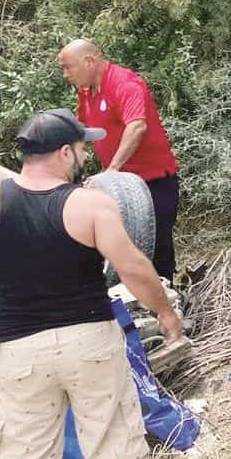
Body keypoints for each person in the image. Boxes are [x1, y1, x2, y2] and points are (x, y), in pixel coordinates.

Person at [0, 109, 184, 459]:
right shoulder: (90, 204)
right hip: (86, 339)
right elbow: (133, 268)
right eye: (82, 149)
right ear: (65, 153)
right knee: (109, 439)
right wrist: (165, 314)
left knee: (19, 458)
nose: (85, 156)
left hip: (16, 348)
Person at [58, 40, 181, 281]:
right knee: (118, 246)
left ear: (89, 61)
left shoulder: (124, 83)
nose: (65, 75)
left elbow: (137, 126)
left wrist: (112, 169)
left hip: (152, 182)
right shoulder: (86, 91)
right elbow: (81, 128)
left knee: (155, 248)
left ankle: (166, 305)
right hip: (118, 186)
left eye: (68, 68)